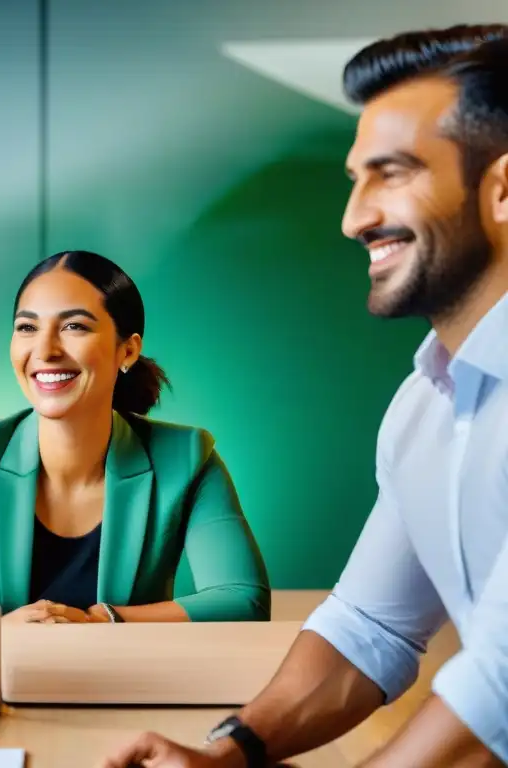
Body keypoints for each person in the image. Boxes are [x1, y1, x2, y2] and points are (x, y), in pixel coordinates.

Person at [101, 24, 508, 768]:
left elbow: (500, 696)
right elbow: (366, 630)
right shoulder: (425, 405)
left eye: (393, 173)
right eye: (357, 179)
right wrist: (231, 752)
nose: (354, 219)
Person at [0, 250, 270, 624]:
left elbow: (242, 598)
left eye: (74, 326)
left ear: (127, 351)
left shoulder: (187, 458)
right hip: (1, 692)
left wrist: (103, 620)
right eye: (27, 327)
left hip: (133, 688)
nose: (46, 349)